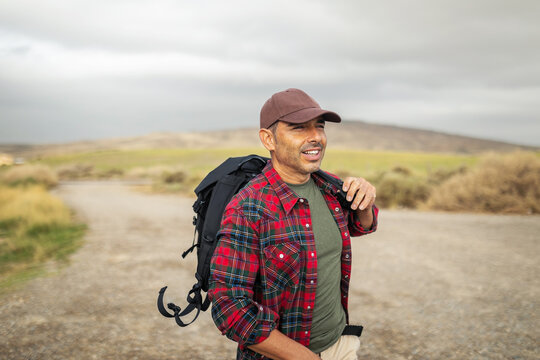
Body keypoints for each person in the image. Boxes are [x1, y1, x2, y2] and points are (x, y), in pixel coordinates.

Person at [209, 88, 378, 360]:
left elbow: (360, 226)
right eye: (299, 128)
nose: (315, 137)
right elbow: (230, 310)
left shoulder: (328, 186)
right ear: (268, 139)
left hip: (340, 344)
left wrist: (365, 202)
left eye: (319, 127)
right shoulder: (249, 208)